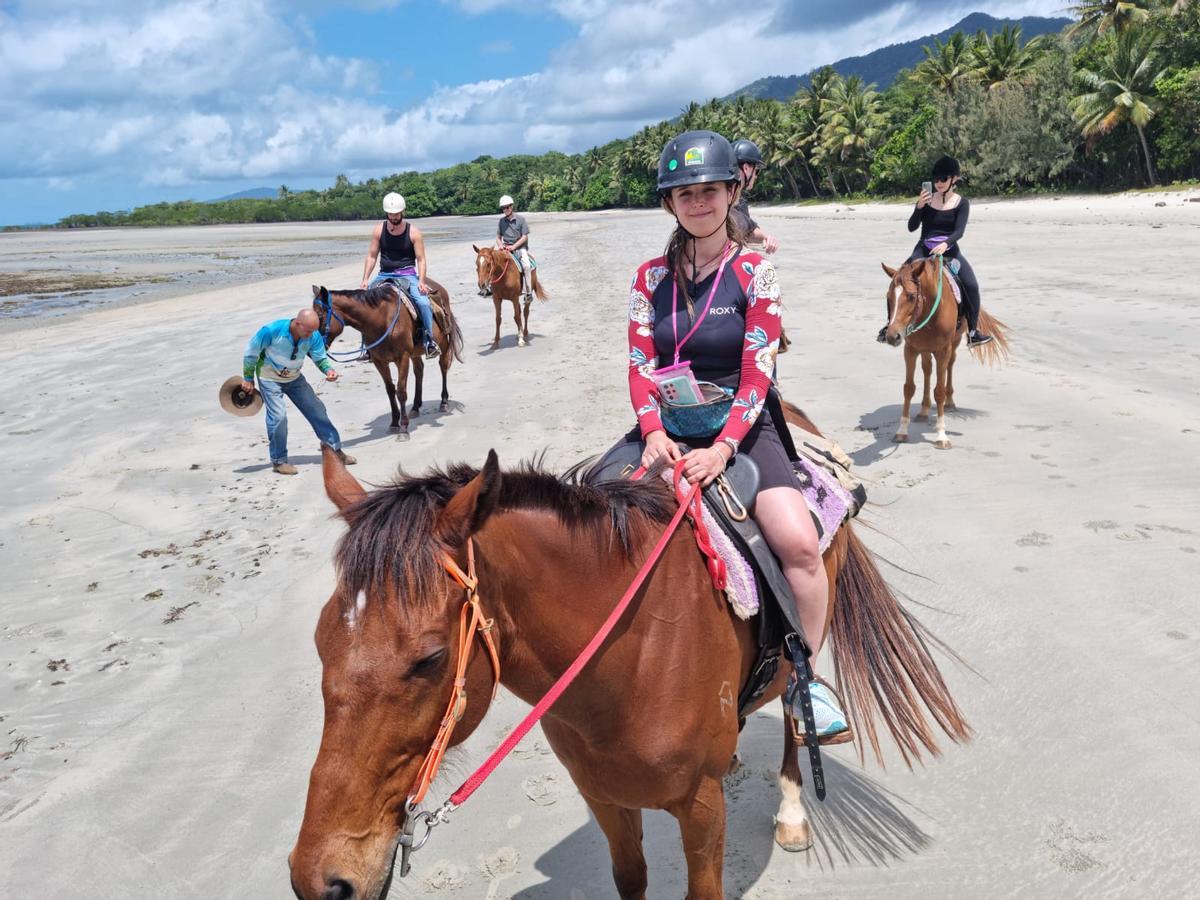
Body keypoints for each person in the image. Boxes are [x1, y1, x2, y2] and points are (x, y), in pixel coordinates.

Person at [622, 129, 847, 738]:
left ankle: (806, 681)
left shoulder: (756, 273)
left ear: (730, 192)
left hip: (741, 430)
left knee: (798, 542)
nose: (698, 202)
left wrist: (722, 449)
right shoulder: (647, 279)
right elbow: (641, 365)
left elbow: (758, 372)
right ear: (670, 203)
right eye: (685, 193)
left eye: (709, 191)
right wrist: (650, 434)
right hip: (666, 427)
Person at [878, 155, 992, 347]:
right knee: (897, 280)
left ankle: (973, 332)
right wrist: (919, 207)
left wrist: (946, 244)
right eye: (936, 179)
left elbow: (959, 231)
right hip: (923, 248)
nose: (938, 183)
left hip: (949, 250)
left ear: (954, 179)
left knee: (971, 285)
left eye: (943, 179)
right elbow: (912, 227)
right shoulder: (928, 200)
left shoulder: (961, 203)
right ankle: (888, 325)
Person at [241, 308, 356, 476]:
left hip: (294, 378)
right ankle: (279, 461)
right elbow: (251, 352)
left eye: (313, 331)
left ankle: (335, 451)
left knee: (317, 409)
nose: (311, 335)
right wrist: (248, 378)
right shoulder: (272, 331)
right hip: (269, 378)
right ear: (297, 323)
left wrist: (328, 370)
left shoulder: (313, 335)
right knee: (278, 417)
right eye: (308, 331)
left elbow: (319, 357)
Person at [360, 192, 440, 359]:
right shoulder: (378, 230)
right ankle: (366, 347)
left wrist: (422, 281)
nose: (393, 217)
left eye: (396, 213)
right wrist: (365, 280)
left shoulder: (414, 232)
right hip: (384, 275)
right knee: (364, 302)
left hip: (408, 274)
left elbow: (421, 259)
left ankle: (429, 341)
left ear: (402, 212)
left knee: (423, 303)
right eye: (390, 213)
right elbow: (372, 256)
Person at [730, 139, 779, 254]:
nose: (756, 176)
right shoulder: (726, 197)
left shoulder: (739, 198)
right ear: (746, 168)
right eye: (756, 171)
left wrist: (766, 237)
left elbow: (748, 230)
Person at [495, 194, 533, 300]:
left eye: (507, 207)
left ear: (511, 207)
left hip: (519, 248)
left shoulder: (521, 220)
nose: (505, 210)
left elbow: (524, 237)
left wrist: (514, 246)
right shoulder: (501, 221)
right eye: (503, 208)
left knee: (526, 266)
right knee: (491, 262)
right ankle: (488, 287)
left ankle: (528, 293)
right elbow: (498, 237)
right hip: (505, 248)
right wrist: (500, 245)